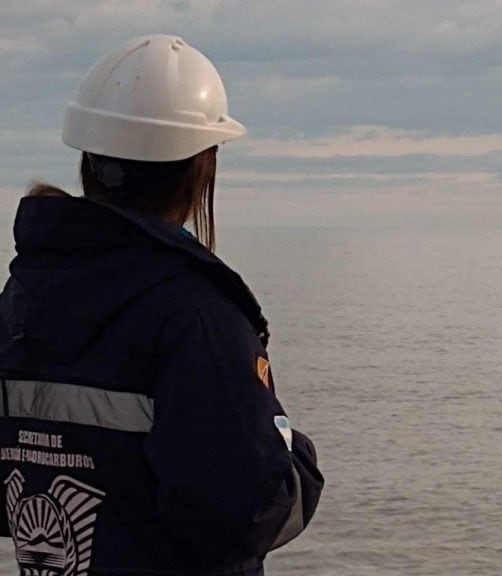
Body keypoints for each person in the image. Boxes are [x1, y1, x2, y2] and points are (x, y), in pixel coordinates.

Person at [0, 35, 323, 575]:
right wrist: (298, 461)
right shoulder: (194, 316)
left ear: (88, 156)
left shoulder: (21, 301)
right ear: (202, 166)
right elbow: (248, 508)